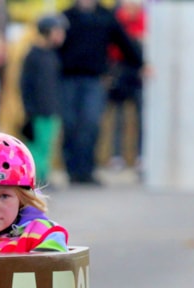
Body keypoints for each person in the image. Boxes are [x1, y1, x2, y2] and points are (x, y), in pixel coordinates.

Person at [58, 0, 143, 186]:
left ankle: (87, 171)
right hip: (67, 79)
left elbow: (124, 42)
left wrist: (141, 64)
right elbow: (55, 45)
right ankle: (72, 171)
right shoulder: (66, 16)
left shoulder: (106, 16)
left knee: (91, 124)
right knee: (70, 124)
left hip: (94, 79)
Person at [19, 14, 67, 188]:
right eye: (58, 31)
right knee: (37, 147)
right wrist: (29, 110)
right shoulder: (34, 55)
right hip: (39, 111)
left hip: (52, 109)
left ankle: (43, 178)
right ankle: (36, 179)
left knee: (47, 147)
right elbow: (26, 85)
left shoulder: (52, 55)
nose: (62, 35)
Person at [107, 0, 146, 172]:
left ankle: (141, 156)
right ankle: (116, 156)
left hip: (138, 72)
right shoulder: (116, 19)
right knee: (118, 118)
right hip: (119, 71)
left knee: (141, 117)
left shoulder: (145, 20)